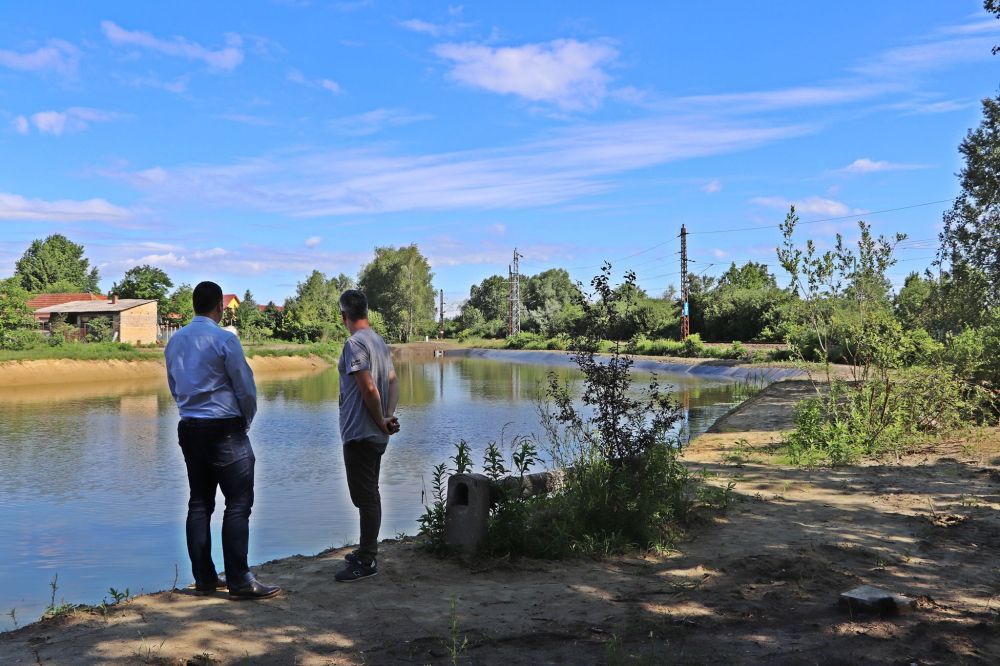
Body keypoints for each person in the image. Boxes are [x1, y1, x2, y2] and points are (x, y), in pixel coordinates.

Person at [164, 281, 280, 600]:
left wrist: (190, 410)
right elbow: (245, 386)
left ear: (193, 306)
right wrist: (246, 420)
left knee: (199, 504)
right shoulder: (225, 340)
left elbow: (174, 386)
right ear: (219, 307)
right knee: (238, 504)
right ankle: (240, 581)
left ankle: (204, 579)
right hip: (224, 428)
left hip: (190, 428)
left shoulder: (174, 342)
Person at [335, 289, 400, 582]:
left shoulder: (355, 344)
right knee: (368, 493)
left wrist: (379, 420)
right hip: (374, 431)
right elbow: (393, 382)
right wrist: (387, 416)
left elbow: (369, 388)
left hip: (362, 433)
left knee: (365, 497)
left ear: (344, 316)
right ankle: (365, 550)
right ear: (367, 311)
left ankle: (367, 560)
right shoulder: (378, 341)